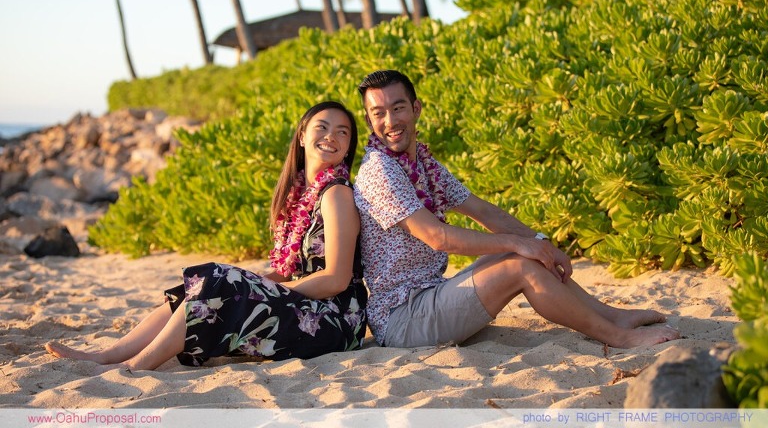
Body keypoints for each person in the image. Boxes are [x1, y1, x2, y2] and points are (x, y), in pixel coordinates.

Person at [352, 69, 681, 350]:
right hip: (403, 318)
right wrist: (517, 243)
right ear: (369, 120)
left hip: (432, 292)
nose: (390, 121)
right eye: (378, 113)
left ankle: (613, 316)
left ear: (416, 108)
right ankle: (617, 337)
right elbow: (438, 237)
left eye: (398, 108)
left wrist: (540, 241)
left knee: (527, 255)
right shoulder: (379, 172)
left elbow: (484, 211)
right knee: (520, 264)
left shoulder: (422, 162)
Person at [45, 101, 367, 370]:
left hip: (333, 320)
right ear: (302, 136)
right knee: (208, 285)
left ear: (349, 144)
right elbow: (284, 270)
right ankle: (105, 356)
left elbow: (337, 279)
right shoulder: (300, 194)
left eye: (343, 132)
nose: (331, 136)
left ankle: (134, 366)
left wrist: (266, 290)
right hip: (303, 304)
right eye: (322, 127)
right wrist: (255, 281)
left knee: (221, 281)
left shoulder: (336, 194)